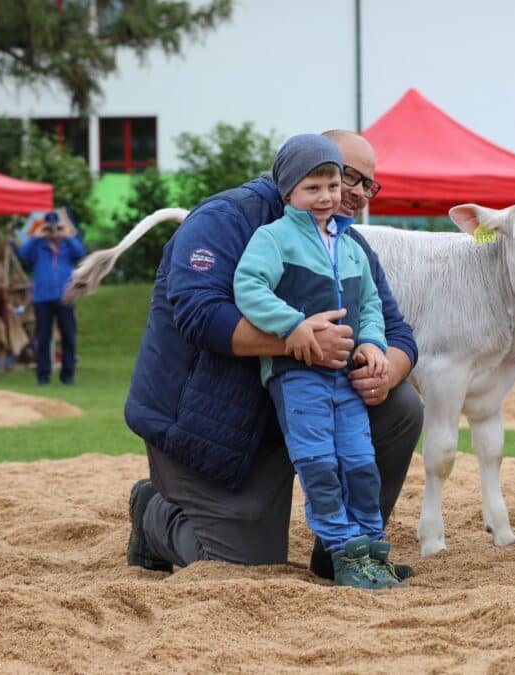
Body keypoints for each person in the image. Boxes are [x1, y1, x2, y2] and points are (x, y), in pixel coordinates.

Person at [123, 130, 422, 582]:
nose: (356, 193)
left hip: (296, 408)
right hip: (208, 422)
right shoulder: (227, 219)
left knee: (401, 405)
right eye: (348, 176)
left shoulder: (347, 244)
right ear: (299, 170)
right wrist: (295, 339)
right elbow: (199, 312)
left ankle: (344, 549)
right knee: (239, 566)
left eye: (366, 185)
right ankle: (153, 511)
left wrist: (384, 367)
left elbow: (397, 329)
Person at [232, 134, 403, 588]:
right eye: (313, 188)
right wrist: (293, 327)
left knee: (360, 462)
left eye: (331, 186)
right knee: (319, 464)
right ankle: (342, 551)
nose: (326, 197)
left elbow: (370, 305)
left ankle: (371, 547)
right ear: (288, 192)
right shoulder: (273, 238)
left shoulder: (351, 246)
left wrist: (372, 345)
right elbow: (248, 287)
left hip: (345, 378)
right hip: (297, 377)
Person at [14, 209, 87, 385]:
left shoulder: (67, 247)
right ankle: (43, 375)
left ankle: (67, 375)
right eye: (50, 228)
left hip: (65, 297)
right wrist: (36, 236)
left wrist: (68, 236)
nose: (53, 232)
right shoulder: (38, 247)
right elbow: (22, 254)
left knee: (68, 336)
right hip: (42, 298)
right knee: (43, 337)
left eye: (56, 227)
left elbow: (82, 254)